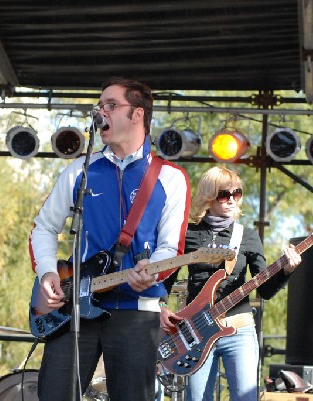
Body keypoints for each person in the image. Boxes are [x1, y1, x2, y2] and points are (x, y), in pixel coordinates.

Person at [29, 77, 190, 401]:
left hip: (137, 311)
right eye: (99, 106)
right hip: (75, 307)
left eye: (111, 106)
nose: (100, 113)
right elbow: (44, 227)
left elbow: (170, 247)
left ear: (138, 115)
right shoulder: (79, 170)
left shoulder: (170, 177)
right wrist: (48, 272)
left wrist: (153, 270)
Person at [160, 166, 301, 401]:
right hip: (195, 331)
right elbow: (166, 280)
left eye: (237, 193)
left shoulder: (247, 236)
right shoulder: (189, 234)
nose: (232, 200)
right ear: (209, 196)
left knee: (245, 397)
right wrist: (160, 307)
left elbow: (264, 290)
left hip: (239, 329)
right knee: (196, 398)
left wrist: (286, 270)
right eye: (225, 194)